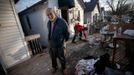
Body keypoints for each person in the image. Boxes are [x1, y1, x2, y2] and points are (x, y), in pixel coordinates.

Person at [46, 8, 69, 74]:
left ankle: (64, 68)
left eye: (51, 14)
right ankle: (55, 67)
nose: (49, 16)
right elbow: (50, 32)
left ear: (54, 13)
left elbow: (67, 33)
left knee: (62, 57)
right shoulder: (48, 23)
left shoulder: (62, 21)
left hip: (60, 44)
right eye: (48, 15)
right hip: (51, 44)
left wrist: (63, 41)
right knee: (52, 58)